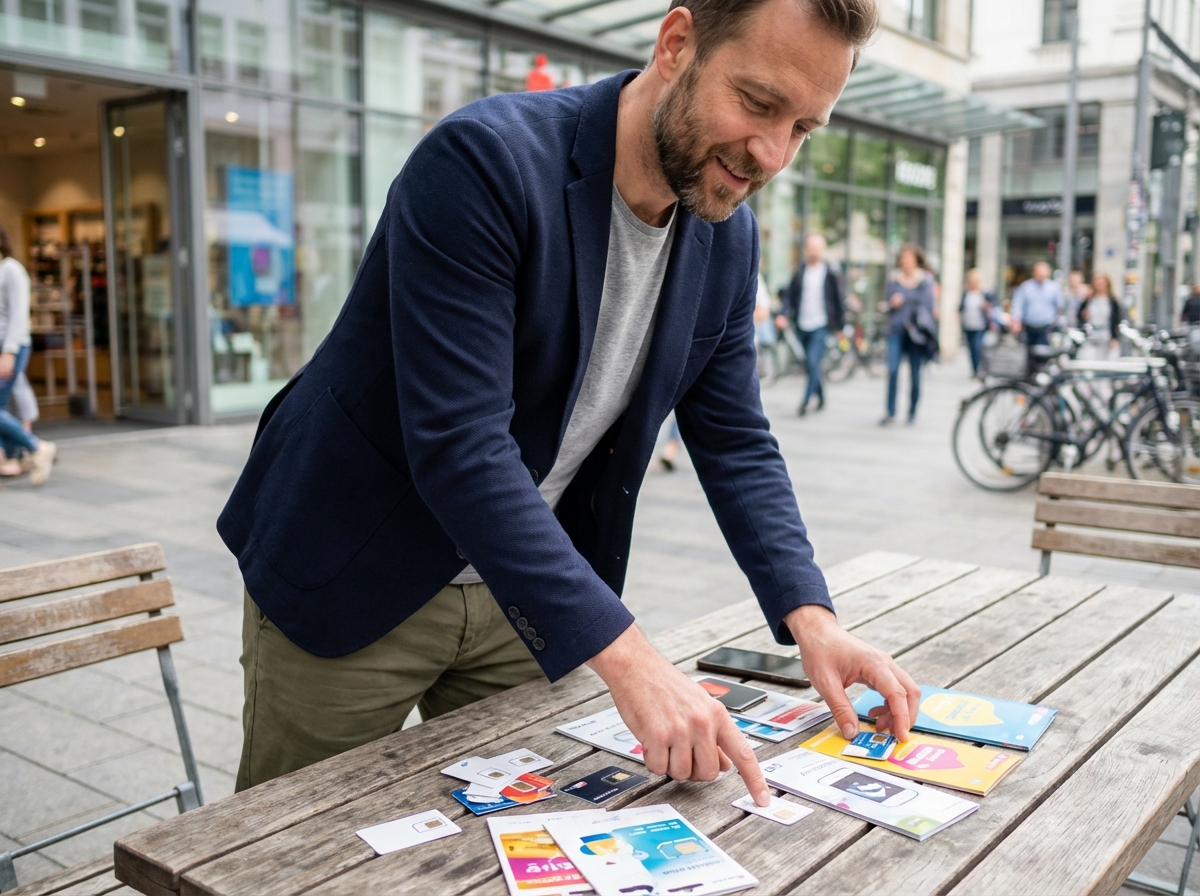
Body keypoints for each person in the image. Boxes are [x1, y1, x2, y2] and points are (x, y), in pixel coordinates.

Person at [218, 0, 919, 806]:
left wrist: (813, 620)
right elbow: (462, 446)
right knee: (285, 845)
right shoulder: (483, 161)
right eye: (758, 103)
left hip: (526, 601)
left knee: (502, 847)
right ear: (676, 42)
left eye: (803, 128)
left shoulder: (730, 236)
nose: (771, 153)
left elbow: (734, 438)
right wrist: (633, 660)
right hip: (351, 567)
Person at [0, 223, 54, 485]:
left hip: (10, 347)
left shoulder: (12, 270)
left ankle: (36, 448)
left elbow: (19, 316)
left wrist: (8, 352)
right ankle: (14, 456)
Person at [781, 233, 845, 415]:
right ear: (806, 250)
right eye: (811, 248)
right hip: (802, 324)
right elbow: (790, 295)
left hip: (821, 325)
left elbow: (838, 300)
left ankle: (806, 402)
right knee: (811, 365)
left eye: (817, 248)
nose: (814, 252)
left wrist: (840, 327)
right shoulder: (800, 271)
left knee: (812, 361)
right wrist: (784, 314)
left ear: (823, 250)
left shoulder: (830, 273)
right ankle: (822, 396)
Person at [881, 244, 936, 425]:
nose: (906, 262)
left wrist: (909, 302)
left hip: (915, 334)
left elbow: (927, 307)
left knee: (915, 374)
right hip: (896, 331)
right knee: (893, 370)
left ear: (916, 260)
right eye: (903, 259)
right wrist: (891, 304)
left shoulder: (925, 281)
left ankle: (912, 410)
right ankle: (890, 412)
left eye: (909, 259)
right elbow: (887, 304)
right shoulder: (894, 280)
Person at [1010, 261, 1063, 347]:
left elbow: (1059, 307)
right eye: (1039, 272)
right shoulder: (1026, 287)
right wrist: (1016, 320)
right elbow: (1018, 304)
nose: (1041, 275)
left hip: (1047, 327)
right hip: (1029, 326)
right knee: (1030, 353)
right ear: (1034, 273)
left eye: (1043, 272)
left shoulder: (1054, 288)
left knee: (1044, 352)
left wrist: (1058, 322)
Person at [1077, 271, 1122, 360]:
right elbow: (1079, 315)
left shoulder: (1112, 301)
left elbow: (1116, 319)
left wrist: (1114, 337)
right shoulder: (1088, 300)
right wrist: (1083, 315)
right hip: (1091, 336)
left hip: (1106, 336)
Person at [960, 268, 994, 378]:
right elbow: (961, 307)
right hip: (968, 325)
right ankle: (975, 369)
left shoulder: (985, 293)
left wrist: (985, 306)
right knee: (970, 348)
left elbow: (992, 307)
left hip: (980, 325)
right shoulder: (966, 293)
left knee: (977, 347)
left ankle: (980, 369)